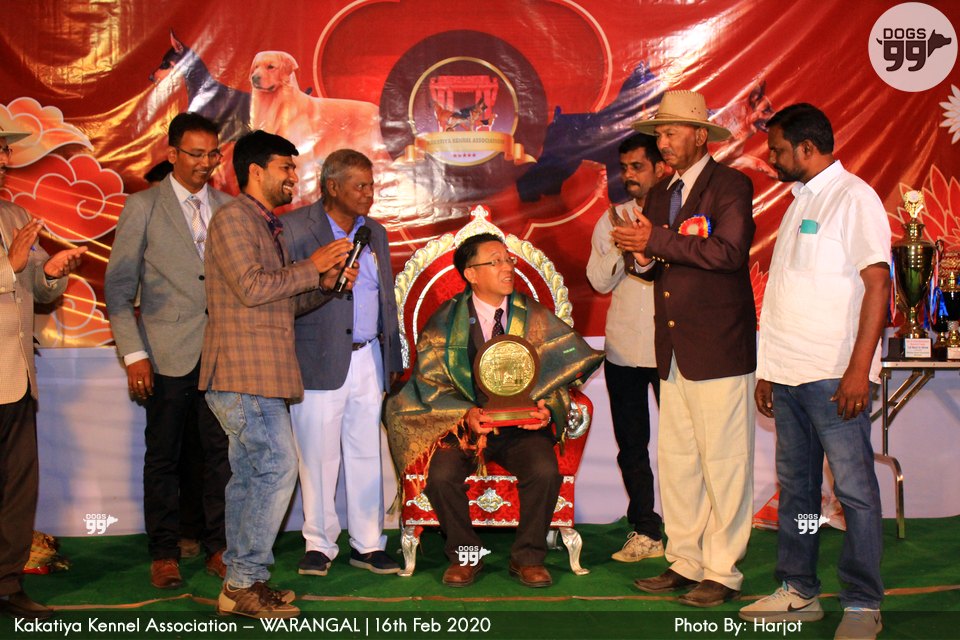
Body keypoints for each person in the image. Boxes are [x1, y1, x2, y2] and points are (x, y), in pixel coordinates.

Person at [738, 104, 888, 640]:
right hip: (789, 375)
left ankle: (863, 604)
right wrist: (769, 370)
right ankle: (799, 590)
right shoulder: (800, 200)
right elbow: (789, 294)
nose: (772, 159)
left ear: (806, 147)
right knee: (798, 492)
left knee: (854, 493)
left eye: (778, 150)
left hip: (834, 376)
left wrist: (858, 370)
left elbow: (878, 285)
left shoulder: (854, 198)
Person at [386, 232, 603, 589]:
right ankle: (466, 555)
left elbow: (560, 376)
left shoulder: (533, 315)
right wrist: (465, 415)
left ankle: (528, 558)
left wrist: (548, 408)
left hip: (521, 428)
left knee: (545, 471)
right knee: (440, 476)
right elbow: (428, 383)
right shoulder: (445, 320)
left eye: (508, 260)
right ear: (471, 273)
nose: (507, 267)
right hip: (464, 428)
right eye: (495, 261)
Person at [200, 130, 358, 618]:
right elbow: (251, 287)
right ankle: (244, 581)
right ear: (255, 171)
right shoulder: (233, 218)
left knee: (251, 476)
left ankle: (241, 584)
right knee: (276, 467)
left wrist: (325, 284)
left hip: (261, 372)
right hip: (242, 371)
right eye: (286, 167)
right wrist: (311, 266)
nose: (294, 176)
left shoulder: (264, 224)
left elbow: (278, 303)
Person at [616, 90, 757, 607]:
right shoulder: (661, 192)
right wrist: (641, 257)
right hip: (673, 349)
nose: (663, 142)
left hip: (718, 347)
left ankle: (722, 571)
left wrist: (654, 243)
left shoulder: (731, 185)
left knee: (725, 463)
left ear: (701, 135)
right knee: (677, 462)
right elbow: (656, 263)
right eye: (659, 134)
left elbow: (728, 251)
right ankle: (684, 561)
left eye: (671, 132)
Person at [105, 113, 231, 589]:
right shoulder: (143, 207)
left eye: (212, 154)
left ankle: (219, 547)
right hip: (163, 353)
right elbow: (119, 291)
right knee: (163, 456)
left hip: (221, 353)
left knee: (221, 455)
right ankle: (164, 552)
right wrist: (134, 354)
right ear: (172, 153)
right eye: (195, 154)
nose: (205, 163)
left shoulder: (228, 208)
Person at [284, 149, 403, 577]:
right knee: (317, 456)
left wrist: (391, 356)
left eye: (371, 185)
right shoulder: (295, 228)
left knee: (366, 452)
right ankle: (319, 544)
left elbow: (384, 296)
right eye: (360, 186)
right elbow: (282, 296)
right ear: (332, 187)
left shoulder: (375, 232)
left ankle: (368, 544)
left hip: (368, 356)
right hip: (316, 357)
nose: (369, 194)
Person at [0, 126, 86, 618]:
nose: (4, 159)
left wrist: (51, 273)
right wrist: (10, 266)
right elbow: (12, 270)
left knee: (17, 487)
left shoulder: (13, 215)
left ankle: (7, 584)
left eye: (4, 150)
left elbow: (35, 285)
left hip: (16, 376)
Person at [586, 133, 666, 562]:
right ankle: (646, 530)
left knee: (684, 445)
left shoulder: (681, 216)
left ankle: (691, 530)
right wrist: (622, 245)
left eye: (638, 166)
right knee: (632, 446)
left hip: (674, 349)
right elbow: (598, 281)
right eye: (625, 168)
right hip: (623, 350)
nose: (629, 175)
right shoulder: (611, 219)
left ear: (661, 167)